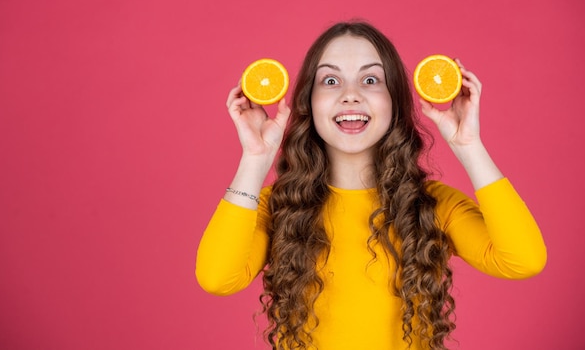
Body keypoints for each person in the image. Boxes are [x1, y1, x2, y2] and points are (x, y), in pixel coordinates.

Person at [195, 21, 546, 350]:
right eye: (330, 82)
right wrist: (256, 158)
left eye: (370, 81)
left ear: (394, 101)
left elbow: (522, 260)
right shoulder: (278, 207)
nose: (350, 95)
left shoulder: (432, 205)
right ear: (308, 102)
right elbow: (217, 278)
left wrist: (469, 147)